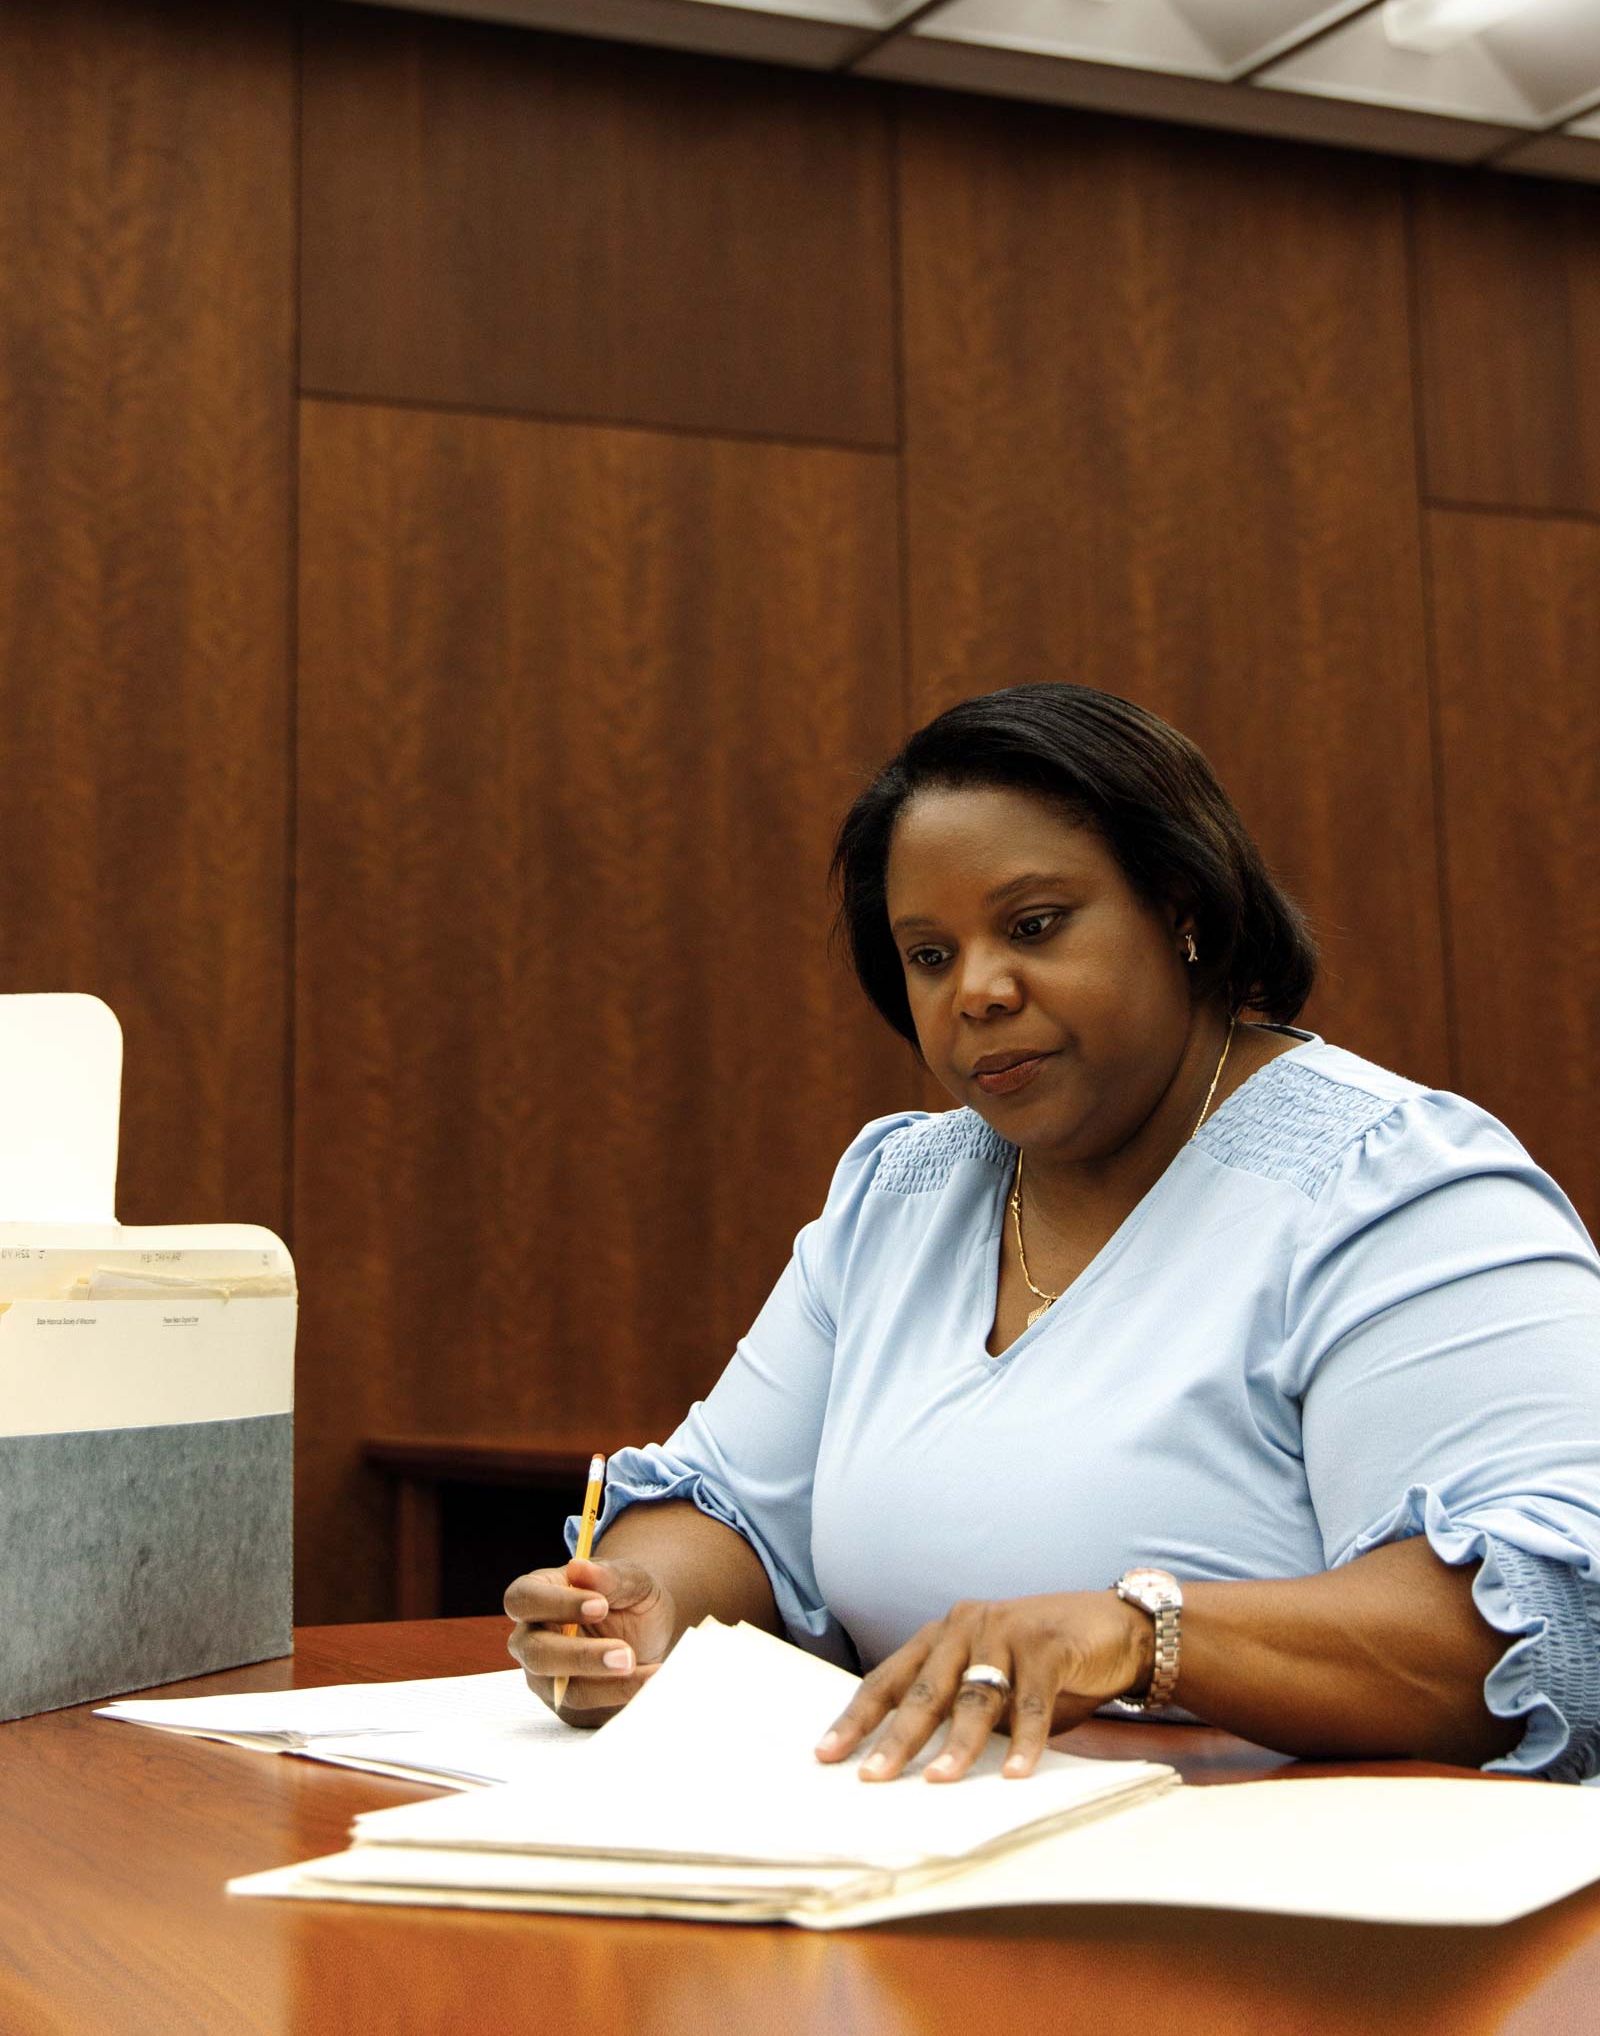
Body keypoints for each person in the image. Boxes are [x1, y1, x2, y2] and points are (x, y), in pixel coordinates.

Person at [506, 684, 1600, 1783]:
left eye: (1033, 927)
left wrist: (1143, 1639)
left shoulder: (1398, 1189)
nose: (976, 991)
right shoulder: (900, 1194)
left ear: (1182, 908)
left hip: (1302, 1903)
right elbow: (735, 1509)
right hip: (914, 1862)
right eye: (928, 956)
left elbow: (1553, 1622)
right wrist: (639, 1610)